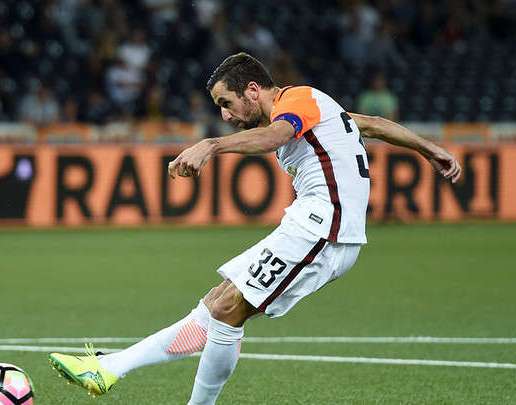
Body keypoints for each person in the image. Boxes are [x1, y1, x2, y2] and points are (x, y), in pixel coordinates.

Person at [49, 52, 462, 404]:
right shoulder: (314, 105)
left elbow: (275, 137)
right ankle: (110, 366)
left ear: (252, 90)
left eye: (226, 103)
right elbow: (370, 123)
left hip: (325, 227)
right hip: (314, 224)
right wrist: (429, 148)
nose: (225, 115)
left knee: (226, 311)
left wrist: (211, 144)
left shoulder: (296, 101)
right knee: (215, 305)